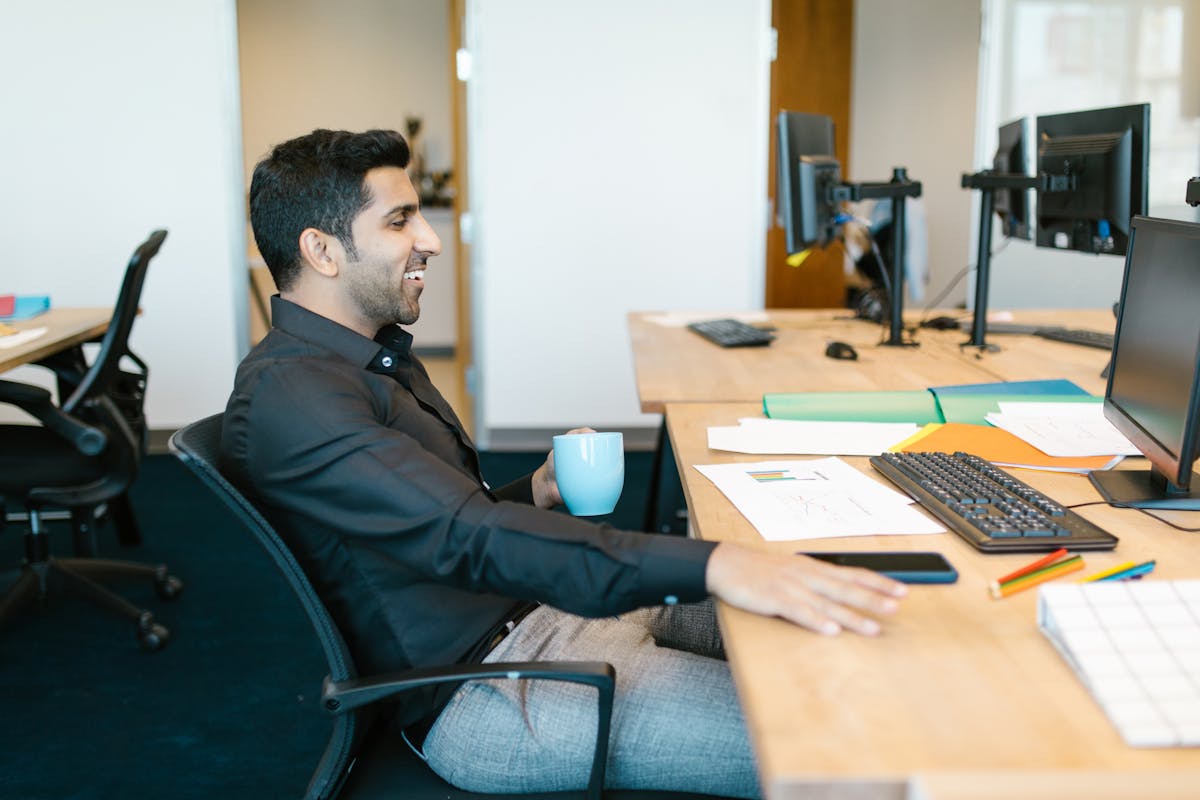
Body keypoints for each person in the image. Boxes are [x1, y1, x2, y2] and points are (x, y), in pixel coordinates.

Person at [221, 129, 907, 799]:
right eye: (400, 220)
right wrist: (716, 562)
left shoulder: (368, 356)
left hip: (544, 610)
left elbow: (437, 519)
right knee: (844, 745)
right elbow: (467, 537)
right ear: (322, 251)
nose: (429, 239)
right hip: (498, 689)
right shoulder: (294, 396)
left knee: (846, 621)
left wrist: (536, 490)